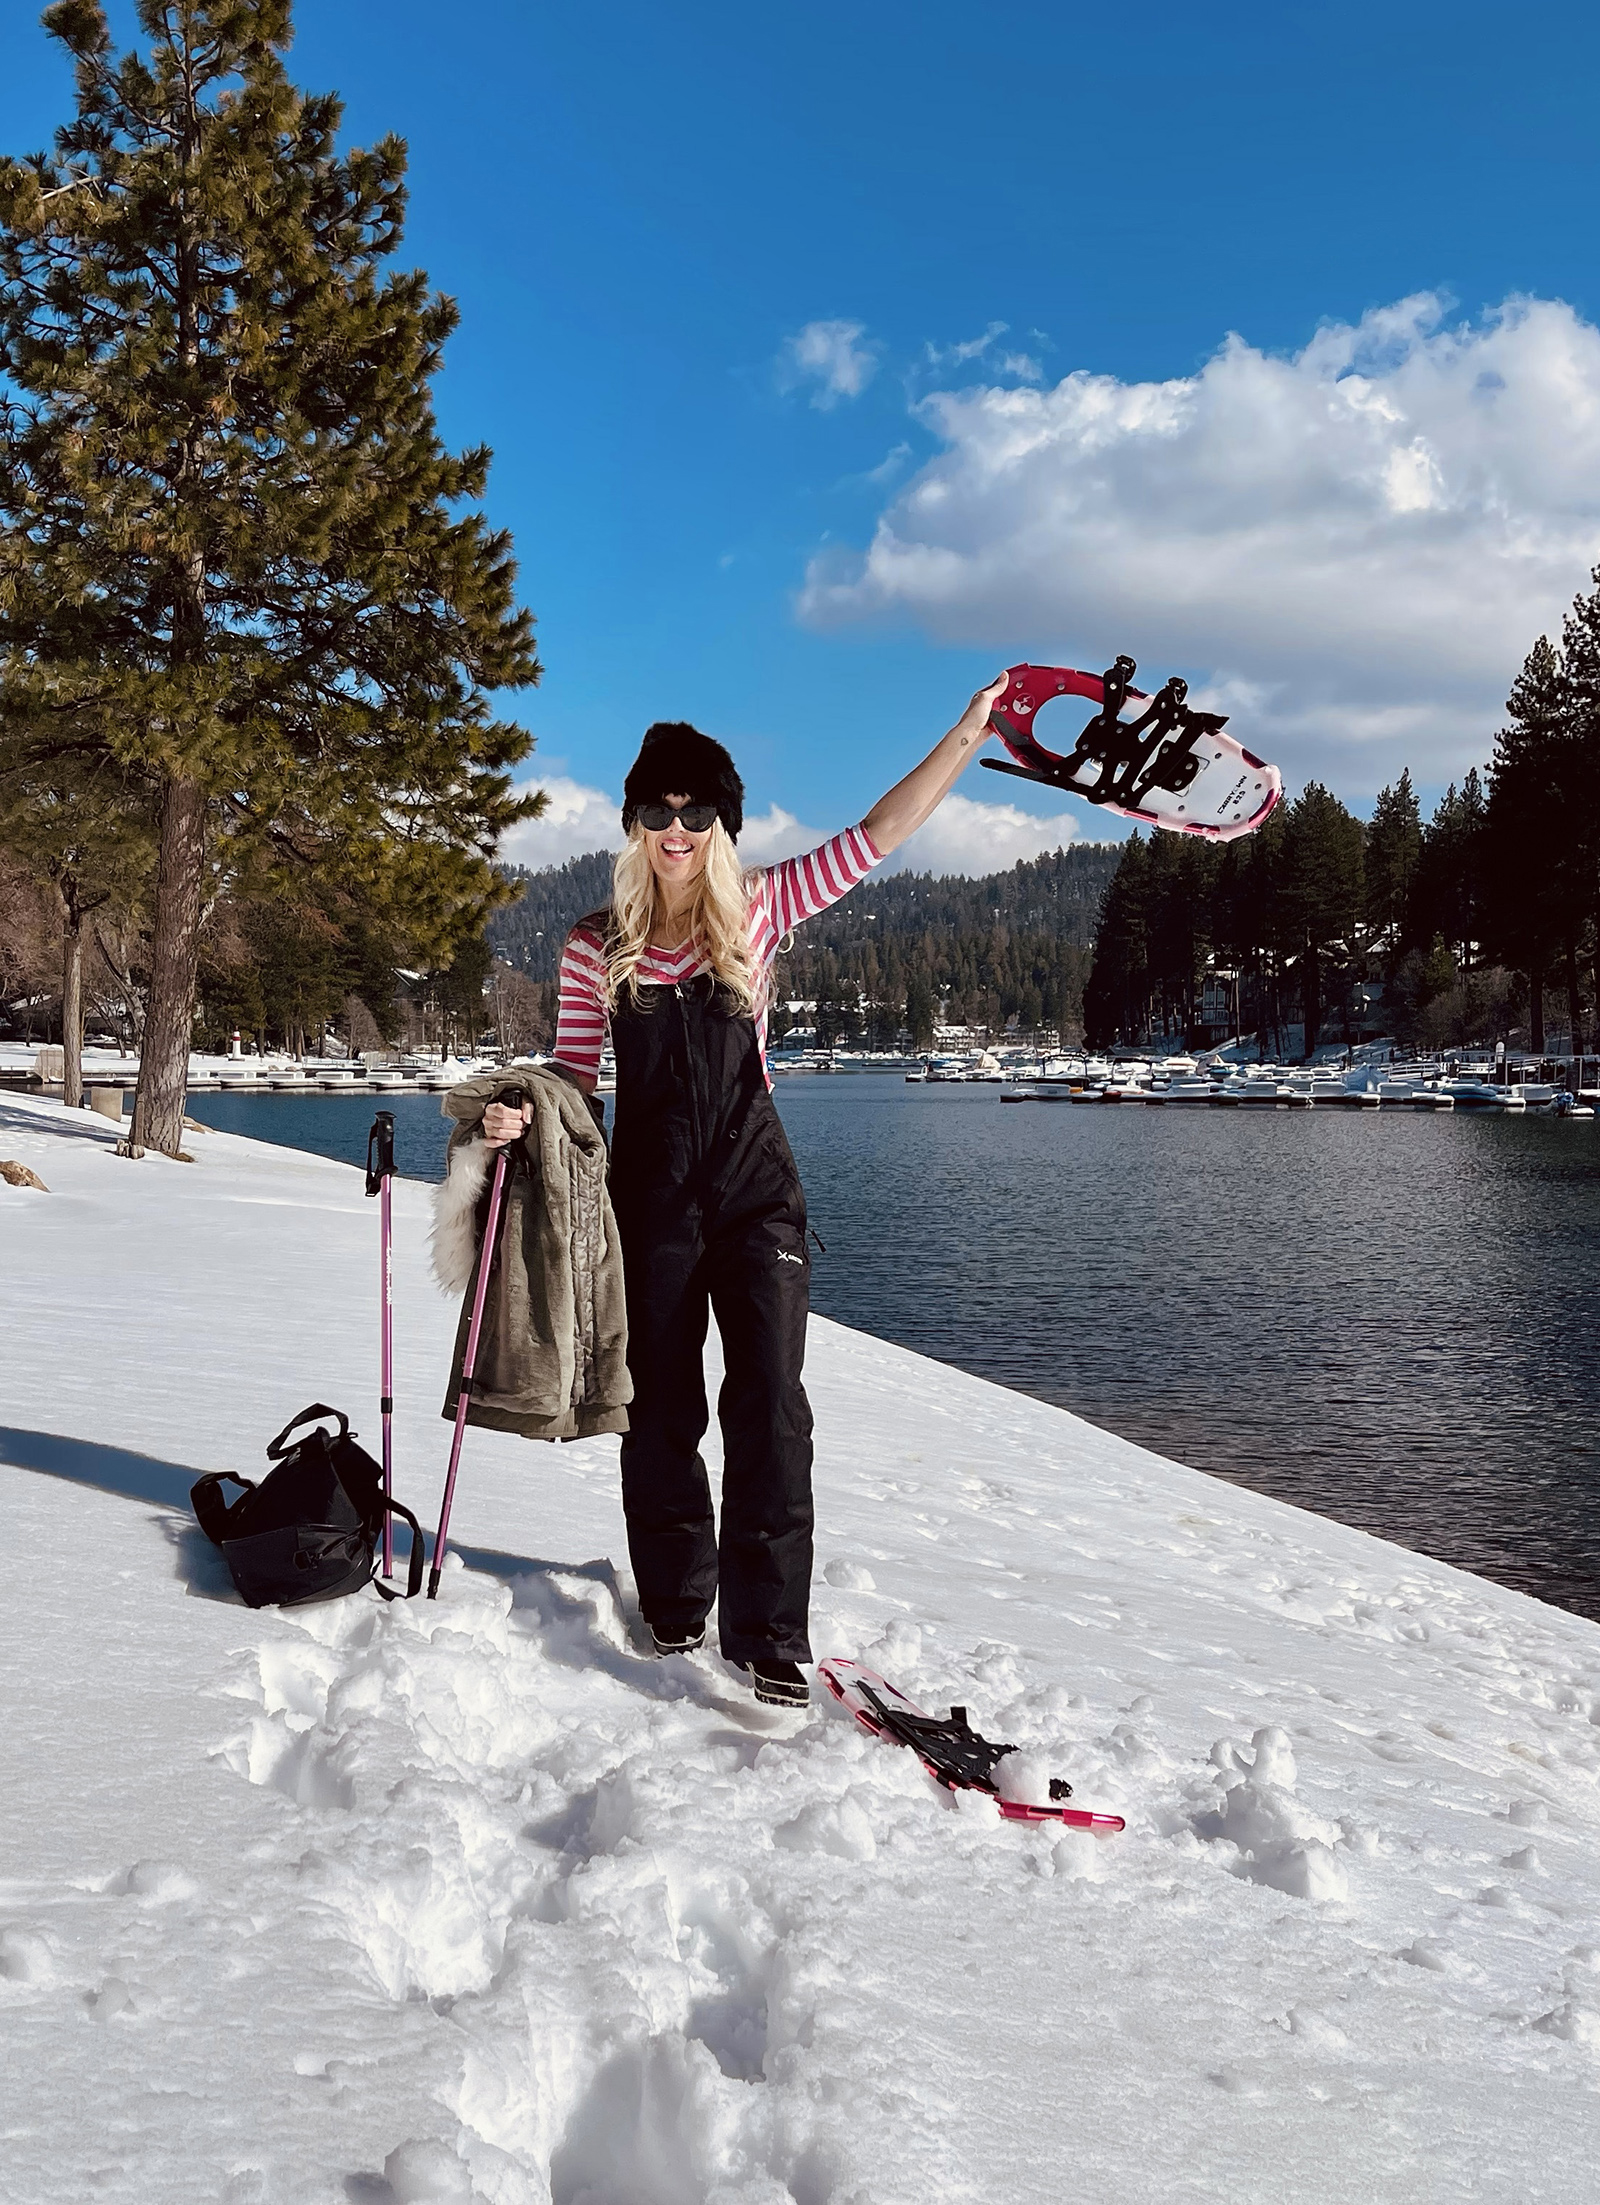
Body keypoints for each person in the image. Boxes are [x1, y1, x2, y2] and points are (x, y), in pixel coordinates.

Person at [483, 675, 1007, 1705]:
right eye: (657, 811)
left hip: (755, 1185)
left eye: (696, 811)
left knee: (770, 1404)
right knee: (662, 1407)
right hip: (650, 1195)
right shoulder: (595, 943)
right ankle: (676, 1604)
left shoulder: (759, 908)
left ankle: (767, 1635)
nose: (676, 829)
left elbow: (880, 832)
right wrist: (517, 1112)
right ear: (632, 820)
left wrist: (965, 733)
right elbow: (572, 1072)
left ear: (721, 820)